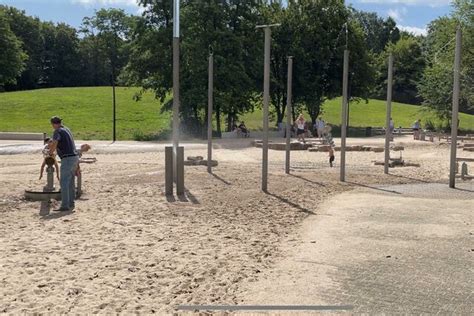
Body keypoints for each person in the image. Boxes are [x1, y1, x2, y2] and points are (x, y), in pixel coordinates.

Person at [48, 116, 79, 212]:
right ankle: (71, 203)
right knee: (70, 182)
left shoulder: (57, 131)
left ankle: (65, 205)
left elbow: (55, 142)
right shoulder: (66, 129)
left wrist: (50, 152)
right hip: (74, 157)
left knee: (64, 182)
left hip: (67, 158)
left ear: (53, 124)